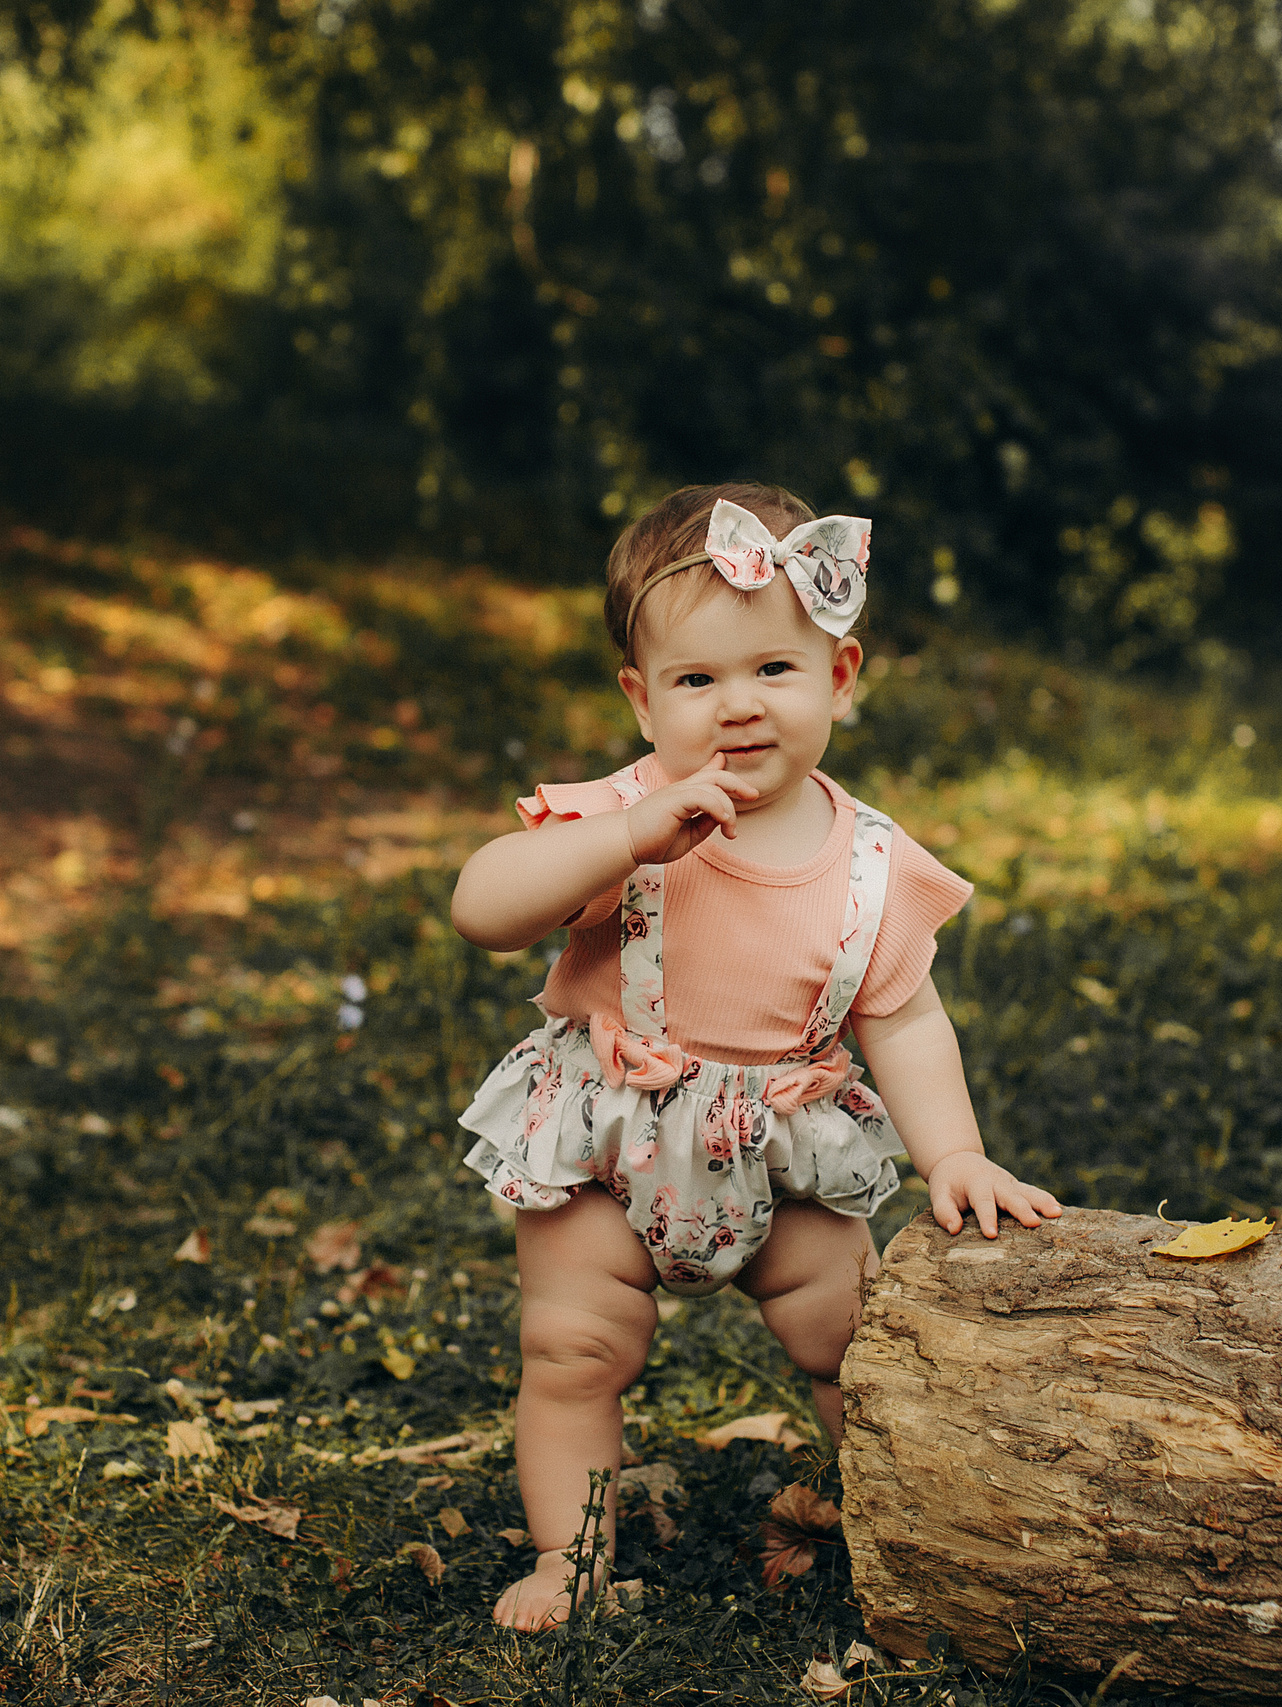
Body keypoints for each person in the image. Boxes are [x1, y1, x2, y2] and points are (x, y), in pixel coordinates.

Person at [450, 482, 1063, 1630]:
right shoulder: (623, 815)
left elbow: (906, 1021)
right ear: (641, 702)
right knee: (574, 1348)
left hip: (781, 1149)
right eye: (696, 680)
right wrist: (622, 837)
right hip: (607, 1137)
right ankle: (565, 1557)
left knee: (849, 1343)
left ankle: (906, 1531)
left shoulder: (871, 860)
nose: (737, 707)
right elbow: (481, 905)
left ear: (838, 677)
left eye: (773, 671)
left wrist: (955, 1154)